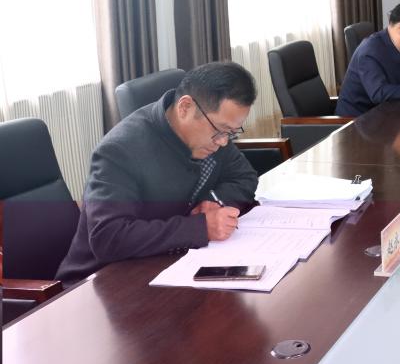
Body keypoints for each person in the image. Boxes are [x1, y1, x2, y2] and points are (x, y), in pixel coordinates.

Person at [57, 62, 260, 282]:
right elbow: (108, 237)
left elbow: (244, 176)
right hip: (102, 280)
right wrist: (201, 227)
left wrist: (213, 200)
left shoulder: (212, 133)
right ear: (185, 108)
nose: (223, 142)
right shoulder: (119, 151)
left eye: (231, 132)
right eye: (221, 130)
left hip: (168, 264)